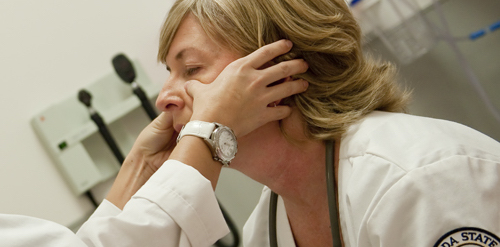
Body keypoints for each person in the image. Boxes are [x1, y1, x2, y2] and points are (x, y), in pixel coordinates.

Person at [153, 0, 500, 246]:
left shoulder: (417, 181)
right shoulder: (265, 228)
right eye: (170, 73)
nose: (163, 98)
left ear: (279, 68)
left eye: (192, 69)